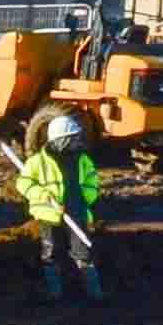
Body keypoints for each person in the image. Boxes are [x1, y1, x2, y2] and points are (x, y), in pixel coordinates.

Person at [11, 106, 103, 300]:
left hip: (77, 211)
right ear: (61, 140)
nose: (77, 141)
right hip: (49, 214)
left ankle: (94, 295)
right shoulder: (37, 162)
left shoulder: (83, 160)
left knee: (83, 253)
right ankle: (55, 295)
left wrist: (81, 199)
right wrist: (44, 196)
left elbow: (92, 182)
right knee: (51, 254)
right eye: (73, 138)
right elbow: (24, 183)